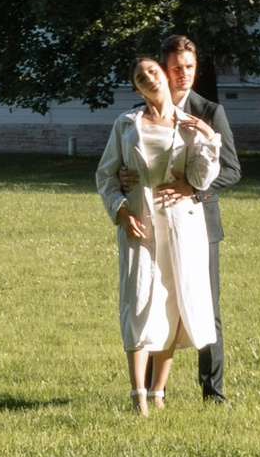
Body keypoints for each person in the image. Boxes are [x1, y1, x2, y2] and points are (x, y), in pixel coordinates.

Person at [94, 55, 220, 412]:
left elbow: (201, 178)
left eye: (152, 71)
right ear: (136, 87)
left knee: (172, 304)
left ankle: (159, 393)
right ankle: (138, 397)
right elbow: (105, 174)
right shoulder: (126, 123)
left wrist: (210, 140)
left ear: (164, 75)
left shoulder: (190, 125)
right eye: (139, 77)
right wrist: (120, 210)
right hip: (140, 220)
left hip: (181, 225)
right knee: (138, 302)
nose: (148, 78)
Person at [163, 32, 241, 401]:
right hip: (160, 224)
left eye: (190, 67)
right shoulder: (146, 111)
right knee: (157, 303)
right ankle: (150, 390)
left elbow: (232, 170)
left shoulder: (210, 111)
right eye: (177, 68)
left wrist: (194, 190)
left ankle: (213, 393)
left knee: (207, 308)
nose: (184, 74)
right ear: (164, 69)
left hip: (201, 224)